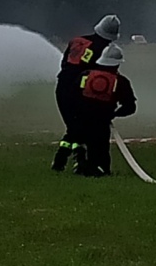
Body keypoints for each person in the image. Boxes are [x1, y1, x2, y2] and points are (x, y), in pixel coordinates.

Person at [52, 14, 121, 172]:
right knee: (80, 128)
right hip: (80, 92)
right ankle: (78, 160)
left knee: (74, 127)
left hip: (62, 87)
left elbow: (65, 63)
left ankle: (62, 161)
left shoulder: (77, 41)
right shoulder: (102, 50)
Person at [70, 43, 137, 177]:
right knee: (100, 148)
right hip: (101, 122)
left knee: (80, 142)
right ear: (117, 64)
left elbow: (72, 95)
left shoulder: (85, 75)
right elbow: (130, 107)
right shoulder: (120, 82)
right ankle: (99, 169)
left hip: (79, 119)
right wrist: (114, 114)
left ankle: (81, 163)